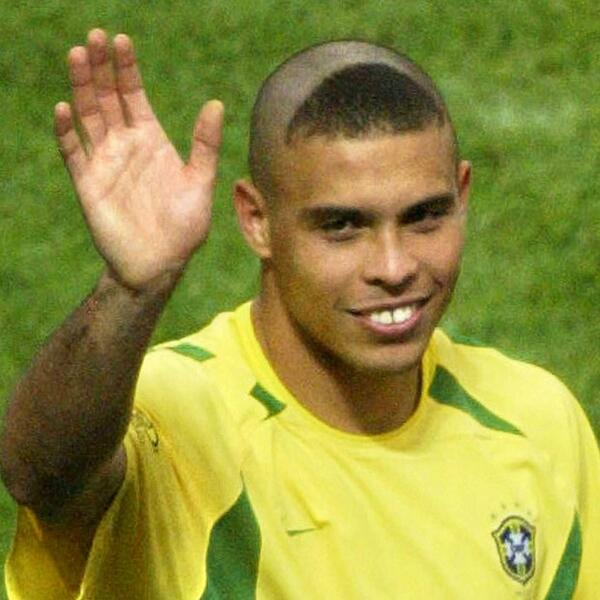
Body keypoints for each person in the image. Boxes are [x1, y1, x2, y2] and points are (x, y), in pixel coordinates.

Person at [1, 27, 598, 599]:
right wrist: (131, 292)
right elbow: (41, 476)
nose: (393, 267)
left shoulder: (537, 422)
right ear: (257, 220)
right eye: (342, 225)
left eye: (423, 217)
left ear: (462, 196)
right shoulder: (179, 409)